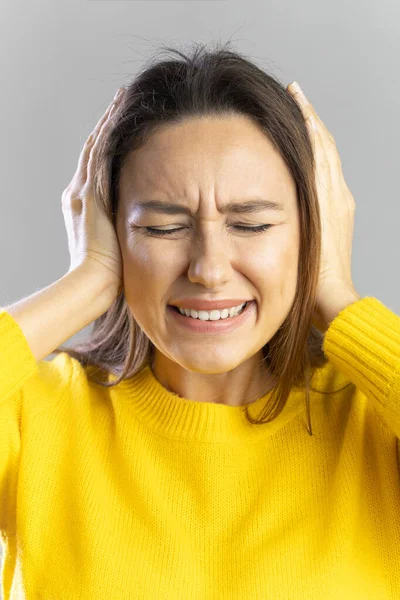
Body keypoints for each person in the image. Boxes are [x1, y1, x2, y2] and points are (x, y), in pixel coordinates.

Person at [1, 42, 400, 599]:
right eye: (163, 228)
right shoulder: (34, 415)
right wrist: (86, 283)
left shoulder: (374, 424)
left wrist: (335, 293)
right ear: (111, 232)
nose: (209, 270)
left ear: (315, 228)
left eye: (252, 225)